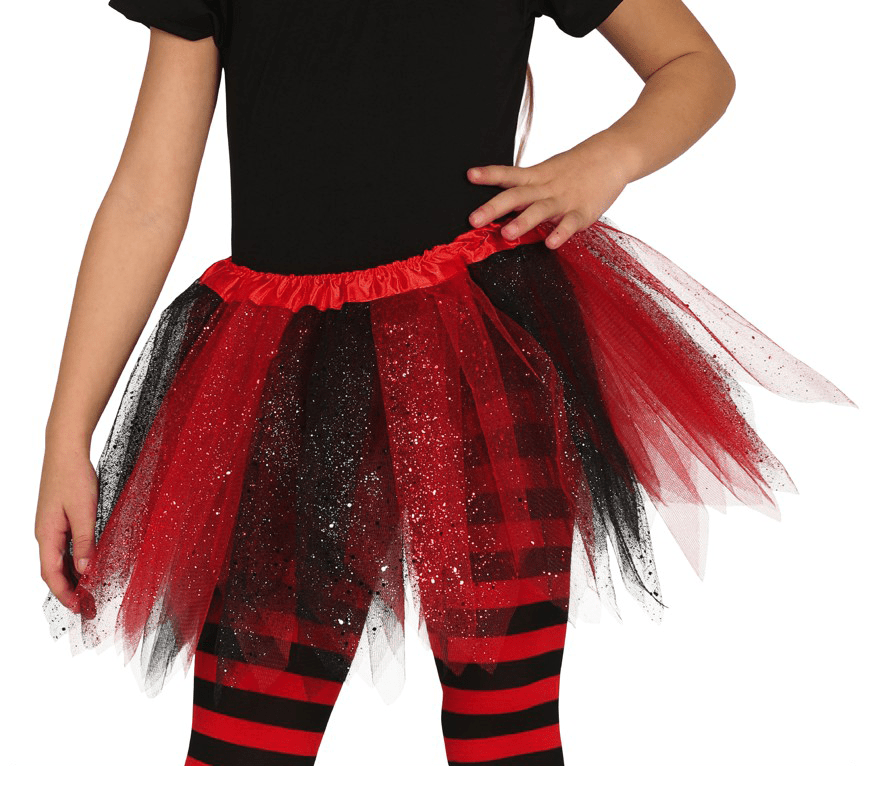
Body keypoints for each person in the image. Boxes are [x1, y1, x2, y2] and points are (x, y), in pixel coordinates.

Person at [35, 0, 856, 767]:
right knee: (249, 730)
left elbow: (692, 64)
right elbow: (146, 199)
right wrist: (67, 434)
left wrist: (604, 161)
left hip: (478, 365)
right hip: (289, 375)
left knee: (505, 724)